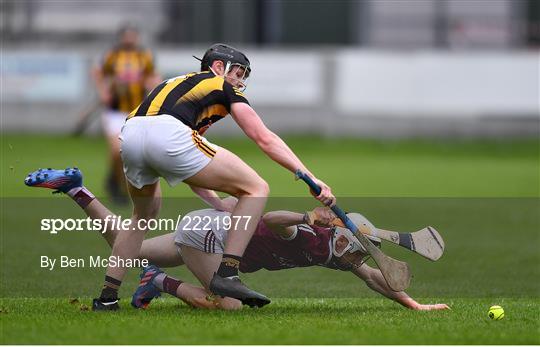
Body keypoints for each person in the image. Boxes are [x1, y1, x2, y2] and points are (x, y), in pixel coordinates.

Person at [91, 43, 335, 310]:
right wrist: (309, 177)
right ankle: (228, 273)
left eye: (243, 76)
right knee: (255, 188)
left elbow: (190, 166)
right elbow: (263, 138)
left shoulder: (181, 83)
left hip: (131, 134)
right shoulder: (220, 85)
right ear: (218, 67)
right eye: (238, 72)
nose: (240, 81)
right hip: (168, 132)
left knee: (142, 215)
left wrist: (217, 203)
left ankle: (107, 297)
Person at [25, 168, 448, 312]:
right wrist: (308, 214)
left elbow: (377, 276)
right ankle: (158, 282)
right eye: (346, 246)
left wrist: (414, 304)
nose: (348, 255)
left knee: (127, 243)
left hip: (208, 228)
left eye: (351, 251)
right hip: (208, 237)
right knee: (226, 304)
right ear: (335, 233)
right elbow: (273, 217)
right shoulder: (306, 231)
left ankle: (78, 191)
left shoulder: (342, 256)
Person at [92, 24, 160, 203]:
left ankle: (117, 182)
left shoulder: (144, 56)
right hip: (114, 111)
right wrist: (103, 91)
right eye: (126, 36)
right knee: (116, 151)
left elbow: (154, 76)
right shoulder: (111, 56)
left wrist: (153, 86)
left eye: (133, 36)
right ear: (121, 38)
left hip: (137, 112)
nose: (130, 40)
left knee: (134, 152)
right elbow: (97, 72)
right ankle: (118, 183)